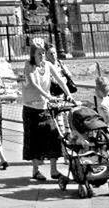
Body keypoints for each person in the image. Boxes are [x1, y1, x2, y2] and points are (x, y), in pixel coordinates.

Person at [21, 38, 71, 181]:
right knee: (35, 142)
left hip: (45, 108)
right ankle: (35, 171)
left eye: (43, 53)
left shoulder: (48, 65)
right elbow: (34, 84)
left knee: (54, 136)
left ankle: (54, 171)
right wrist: (48, 96)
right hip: (31, 109)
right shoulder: (29, 66)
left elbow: (60, 80)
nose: (42, 55)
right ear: (33, 55)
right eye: (39, 53)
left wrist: (69, 95)